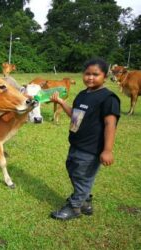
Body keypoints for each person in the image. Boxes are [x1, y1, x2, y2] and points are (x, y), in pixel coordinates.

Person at [50, 58, 120, 220]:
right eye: (87, 74)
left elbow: (111, 124)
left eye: (95, 74)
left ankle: (75, 207)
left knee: (82, 176)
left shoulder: (108, 98)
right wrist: (61, 102)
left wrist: (107, 150)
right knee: (73, 171)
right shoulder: (82, 95)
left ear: (104, 75)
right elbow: (75, 116)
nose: (90, 77)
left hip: (92, 148)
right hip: (76, 144)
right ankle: (85, 201)